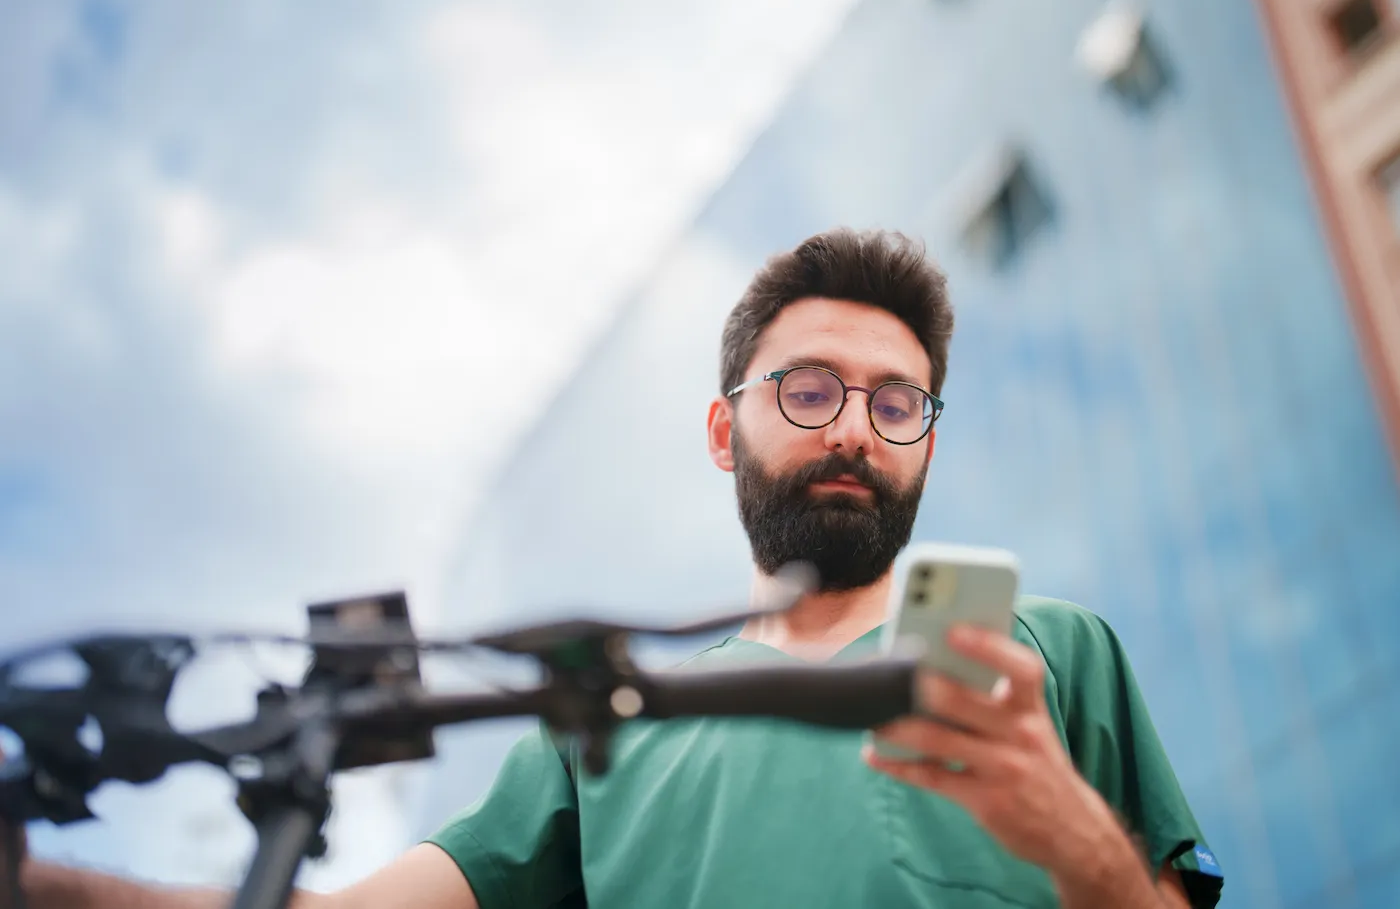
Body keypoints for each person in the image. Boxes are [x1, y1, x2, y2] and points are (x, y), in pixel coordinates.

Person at [3, 228, 1224, 908]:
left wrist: (1080, 850)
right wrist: (39, 884)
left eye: (896, 401)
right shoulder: (601, 729)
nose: (854, 425)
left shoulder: (1041, 655)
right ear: (720, 429)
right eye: (808, 389)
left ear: (927, 441)